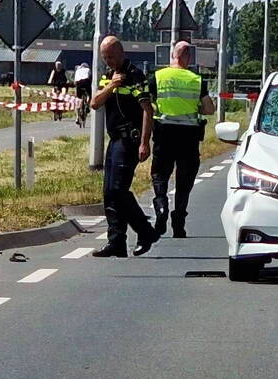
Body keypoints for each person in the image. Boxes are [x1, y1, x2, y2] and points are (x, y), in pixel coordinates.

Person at [89, 36, 159, 257]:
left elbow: (148, 111)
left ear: (120, 52)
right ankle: (116, 241)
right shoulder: (108, 76)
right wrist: (112, 85)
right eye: (105, 58)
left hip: (130, 139)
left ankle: (145, 231)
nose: (108, 61)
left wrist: (144, 143)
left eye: (110, 57)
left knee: (119, 190)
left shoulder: (135, 75)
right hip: (114, 139)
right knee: (109, 193)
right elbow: (95, 103)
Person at [149, 41, 216, 238]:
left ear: (172, 55)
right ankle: (178, 222)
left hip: (164, 133)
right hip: (189, 136)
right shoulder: (196, 80)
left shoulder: (158, 77)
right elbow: (209, 109)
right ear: (187, 57)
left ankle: (161, 205)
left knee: (160, 174)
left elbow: (148, 105)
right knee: (184, 181)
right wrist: (195, 108)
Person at [73, 62, 92, 127]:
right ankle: (87, 105)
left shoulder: (77, 70)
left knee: (78, 99)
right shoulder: (88, 70)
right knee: (89, 95)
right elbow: (91, 79)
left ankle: (77, 117)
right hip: (86, 82)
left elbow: (75, 82)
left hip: (78, 84)